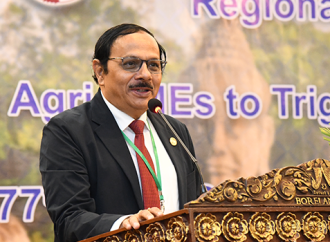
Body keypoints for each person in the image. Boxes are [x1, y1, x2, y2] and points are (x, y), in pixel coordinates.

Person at [39, 23, 201, 242]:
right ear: (100, 72)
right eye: (131, 64)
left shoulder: (175, 131)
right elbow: (69, 219)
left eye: (154, 65)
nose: (145, 75)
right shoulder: (67, 131)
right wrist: (123, 225)